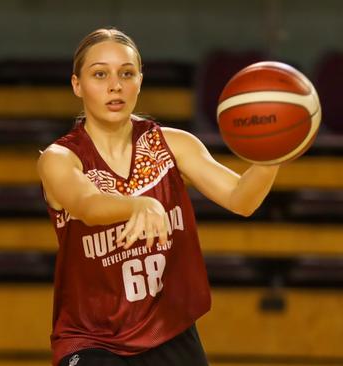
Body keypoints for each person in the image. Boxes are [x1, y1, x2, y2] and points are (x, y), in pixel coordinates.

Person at [37, 27, 280, 366]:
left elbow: (242, 198)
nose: (115, 85)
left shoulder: (173, 145)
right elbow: (87, 205)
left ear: (140, 79)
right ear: (77, 85)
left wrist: (271, 157)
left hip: (168, 330)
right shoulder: (60, 158)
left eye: (126, 73)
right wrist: (138, 204)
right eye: (100, 74)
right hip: (92, 339)